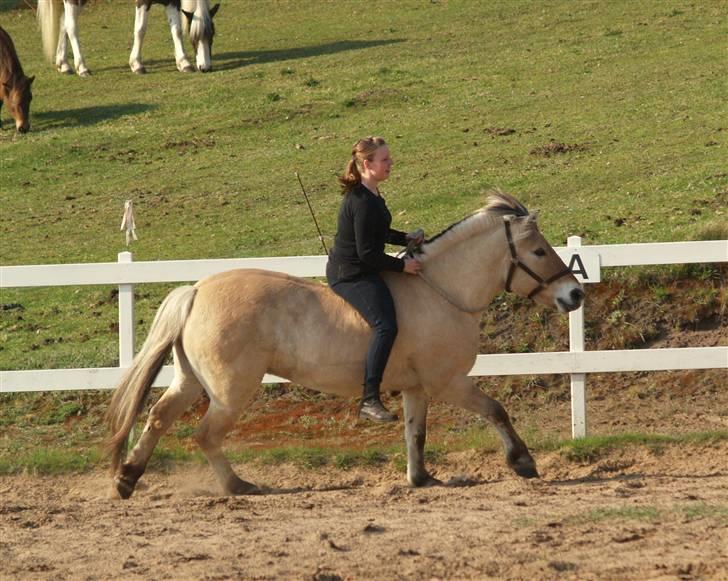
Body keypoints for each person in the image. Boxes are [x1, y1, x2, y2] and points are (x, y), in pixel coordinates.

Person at [326, 136, 424, 422]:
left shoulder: (372, 194)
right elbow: (367, 253)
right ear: (367, 164)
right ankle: (369, 399)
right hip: (351, 275)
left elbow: (377, 233)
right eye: (385, 160)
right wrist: (402, 267)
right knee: (385, 325)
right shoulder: (361, 200)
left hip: (364, 268)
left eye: (389, 158)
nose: (390, 163)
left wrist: (404, 237)